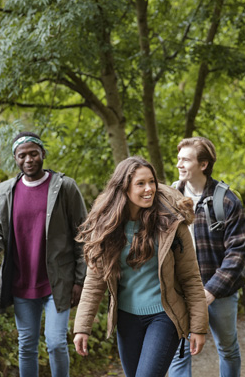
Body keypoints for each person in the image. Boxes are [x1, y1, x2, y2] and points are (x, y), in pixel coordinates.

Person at [72, 156, 208, 377]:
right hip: (127, 319)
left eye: (152, 182)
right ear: (123, 188)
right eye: (141, 183)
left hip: (165, 316)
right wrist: (82, 327)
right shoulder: (107, 226)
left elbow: (191, 278)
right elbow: (94, 282)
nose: (149, 189)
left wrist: (198, 327)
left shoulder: (171, 223)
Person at [0, 132, 87, 377]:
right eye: (21, 155)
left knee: (55, 344)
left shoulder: (64, 187)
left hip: (57, 281)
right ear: (15, 158)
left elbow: (83, 234)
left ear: (43, 154)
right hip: (22, 282)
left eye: (33, 153)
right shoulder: (6, 191)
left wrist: (80, 279)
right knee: (26, 345)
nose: (28, 159)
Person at [169, 137, 245, 377]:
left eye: (185, 159)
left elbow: (238, 252)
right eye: (178, 159)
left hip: (220, 292)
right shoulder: (170, 198)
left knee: (227, 349)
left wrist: (212, 290)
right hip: (180, 289)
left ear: (203, 164)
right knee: (179, 351)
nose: (179, 165)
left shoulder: (226, 200)